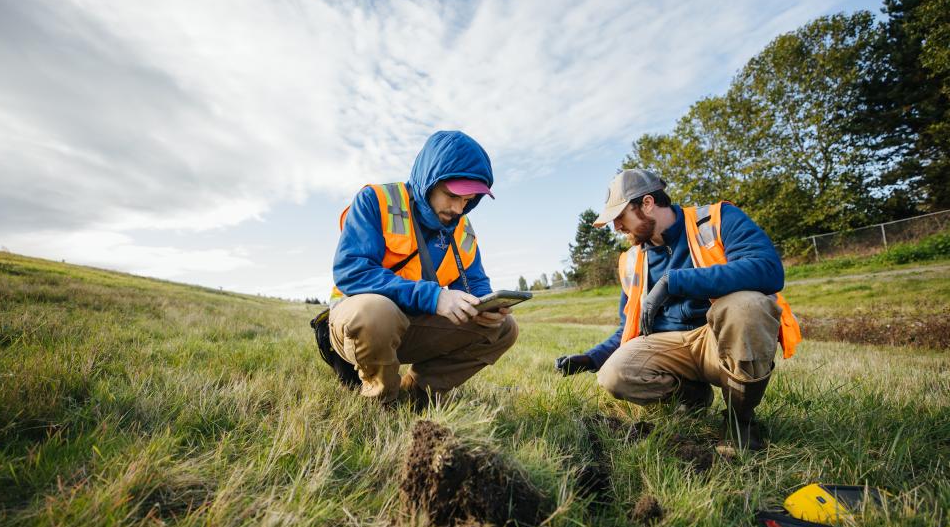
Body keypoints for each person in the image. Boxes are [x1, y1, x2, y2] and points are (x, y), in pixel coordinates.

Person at [555, 169, 801, 450]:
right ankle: (692, 398)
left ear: (647, 203)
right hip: (670, 347)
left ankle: (740, 420)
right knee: (613, 374)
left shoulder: (717, 219)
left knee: (748, 306)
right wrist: (591, 358)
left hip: (718, 339)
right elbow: (629, 326)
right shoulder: (632, 259)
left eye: (621, 218)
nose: (618, 229)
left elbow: (767, 269)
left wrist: (674, 281)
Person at [324, 130, 518, 405]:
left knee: (505, 328)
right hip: (357, 324)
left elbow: (475, 286)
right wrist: (434, 296)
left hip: (413, 325)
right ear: (429, 181)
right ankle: (382, 401)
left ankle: (417, 396)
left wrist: (489, 309)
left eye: (468, 200)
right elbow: (351, 271)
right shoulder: (376, 201)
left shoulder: (462, 230)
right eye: (451, 195)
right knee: (376, 312)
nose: (459, 208)